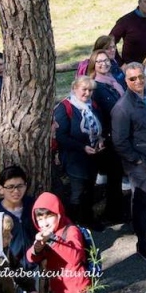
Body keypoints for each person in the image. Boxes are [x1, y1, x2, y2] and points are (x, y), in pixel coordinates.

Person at [111, 63, 146, 263]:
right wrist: (138, 160)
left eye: (140, 77)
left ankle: (145, 225)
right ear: (125, 81)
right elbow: (120, 142)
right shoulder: (122, 108)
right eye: (132, 78)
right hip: (138, 164)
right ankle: (142, 243)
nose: (138, 81)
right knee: (140, 201)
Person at [54, 76, 105, 231]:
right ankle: (72, 225)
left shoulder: (92, 105)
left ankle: (87, 219)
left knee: (89, 188)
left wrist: (101, 139)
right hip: (75, 158)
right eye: (84, 89)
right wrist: (82, 147)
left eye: (90, 90)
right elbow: (61, 136)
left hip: (93, 155)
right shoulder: (65, 107)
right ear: (75, 88)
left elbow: (99, 125)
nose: (87, 93)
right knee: (78, 192)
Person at [87, 50, 126, 224]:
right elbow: (108, 110)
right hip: (109, 135)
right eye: (99, 61)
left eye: (106, 60)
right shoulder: (96, 86)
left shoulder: (114, 80)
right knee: (114, 175)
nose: (104, 64)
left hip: (121, 131)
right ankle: (113, 212)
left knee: (118, 174)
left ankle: (117, 209)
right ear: (93, 65)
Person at [26, 192, 90, 293]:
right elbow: (30, 258)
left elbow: (75, 258)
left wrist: (52, 240)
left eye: (49, 217)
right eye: (40, 219)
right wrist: (37, 248)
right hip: (59, 289)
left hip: (78, 289)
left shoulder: (71, 230)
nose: (45, 223)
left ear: (58, 214)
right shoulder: (45, 234)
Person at [0, 165, 37, 293]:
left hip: (36, 267)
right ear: (1, 189)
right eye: (10, 187)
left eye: (20, 186)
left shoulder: (33, 205)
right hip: (11, 273)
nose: (16, 191)